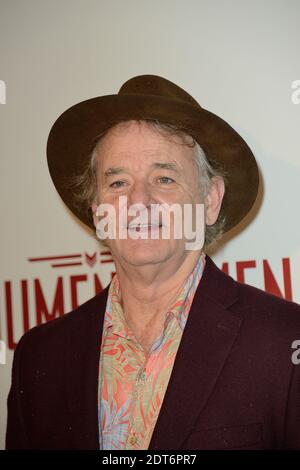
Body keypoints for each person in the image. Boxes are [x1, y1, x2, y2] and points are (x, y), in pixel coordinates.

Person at [6, 75, 300, 450]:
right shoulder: (39, 356)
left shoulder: (284, 340)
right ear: (97, 211)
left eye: (163, 178)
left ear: (210, 200)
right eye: (117, 184)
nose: (138, 201)